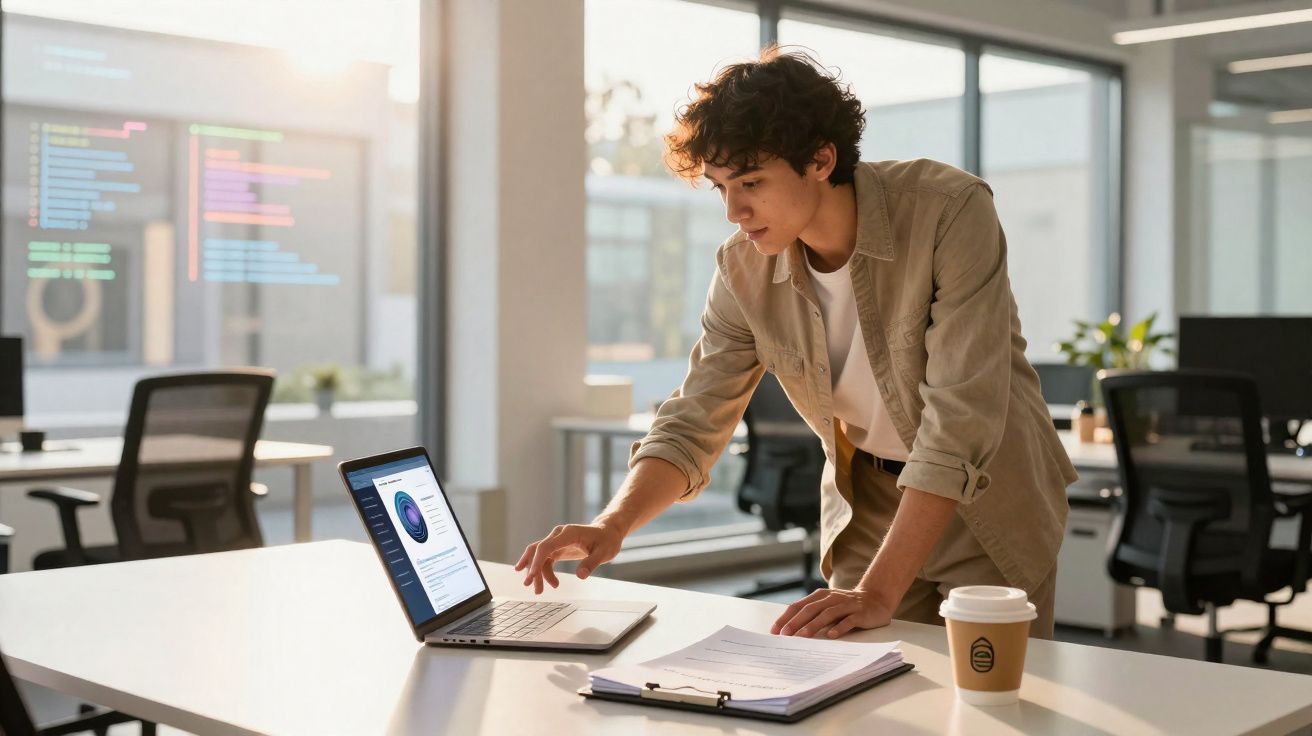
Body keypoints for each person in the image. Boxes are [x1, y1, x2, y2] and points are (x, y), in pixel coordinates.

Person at [517, 46, 1076, 640]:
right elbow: (693, 418)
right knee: (863, 701)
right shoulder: (743, 270)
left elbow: (960, 423)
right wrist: (614, 525)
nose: (734, 210)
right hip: (869, 505)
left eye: (751, 182)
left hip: (986, 500)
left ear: (820, 158)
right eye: (720, 188)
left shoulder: (948, 212)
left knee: (988, 708)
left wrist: (877, 593)